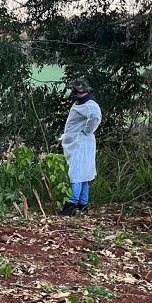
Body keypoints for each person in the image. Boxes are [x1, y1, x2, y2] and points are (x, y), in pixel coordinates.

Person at [59, 77, 102, 216]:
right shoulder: (82, 103)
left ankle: (71, 205)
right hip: (79, 141)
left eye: (75, 90)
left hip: (81, 142)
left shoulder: (89, 104)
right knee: (83, 174)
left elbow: (95, 117)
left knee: (76, 174)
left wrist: (86, 131)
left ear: (80, 91)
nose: (73, 92)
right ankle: (83, 204)